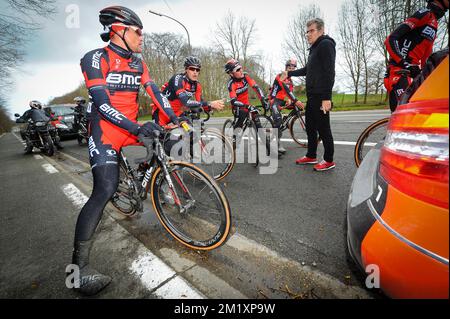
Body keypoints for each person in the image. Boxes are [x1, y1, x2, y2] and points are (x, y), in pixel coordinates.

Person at [73, 5, 180, 296]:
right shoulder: (95, 58)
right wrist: (136, 129)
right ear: (119, 30)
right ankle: (78, 271)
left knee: (171, 141)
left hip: (130, 126)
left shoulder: (138, 62)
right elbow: (103, 104)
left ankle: (151, 181)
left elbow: (156, 93)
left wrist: (174, 118)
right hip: (106, 130)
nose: (142, 36)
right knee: (104, 189)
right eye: (138, 31)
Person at [281, 18, 336, 171]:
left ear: (321, 30)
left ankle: (329, 159)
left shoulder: (326, 45)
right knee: (311, 127)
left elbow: (329, 72)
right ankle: (311, 155)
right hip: (312, 95)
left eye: (311, 31)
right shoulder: (314, 49)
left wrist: (327, 98)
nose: (308, 34)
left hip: (321, 96)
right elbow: (307, 70)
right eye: (307, 31)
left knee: (324, 129)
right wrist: (290, 73)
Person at [384, 0, 449, 112]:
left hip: (411, 73)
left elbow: (426, 58)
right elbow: (390, 39)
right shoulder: (424, 13)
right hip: (399, 72)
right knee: (404, 117)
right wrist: (405, 63)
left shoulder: (434, 23)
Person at [154, 56, 224, 126]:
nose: (195, 72)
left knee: (193, 130)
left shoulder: (197, 86)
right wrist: (210, 103)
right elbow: (185, 102)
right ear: (186, 69)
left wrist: (211, 107)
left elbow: (199, 103)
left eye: (197, 70)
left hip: (178, 112)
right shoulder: (178, 79)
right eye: (192, 69)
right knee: (159, 135)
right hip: (163, 111)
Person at [224, 59, 270, 150]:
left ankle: (268, 148)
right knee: (242, 118)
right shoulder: (231, 84)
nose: (241, 70)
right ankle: (234, 141)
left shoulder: (245, 76)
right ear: (231, 73)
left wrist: (263, 100)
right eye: (237, 70)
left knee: (258, 123)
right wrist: (245, 106)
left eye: (240, 68)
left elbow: (256, 87)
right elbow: (233, 101)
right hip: (238, 107)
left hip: (248, 105)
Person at [268, 58, 304, 154]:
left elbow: (290, 93)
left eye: (293, 67)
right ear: (286, 67)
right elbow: (286, 90)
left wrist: (290, 100)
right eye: (290, 67)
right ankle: (276, 143)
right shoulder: (280, 76)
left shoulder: (290, 81)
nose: (291, 69)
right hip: (274, 100)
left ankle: (286, 120)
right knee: (278, 121)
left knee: (297, 108)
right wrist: (295, 100)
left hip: (283, 101)